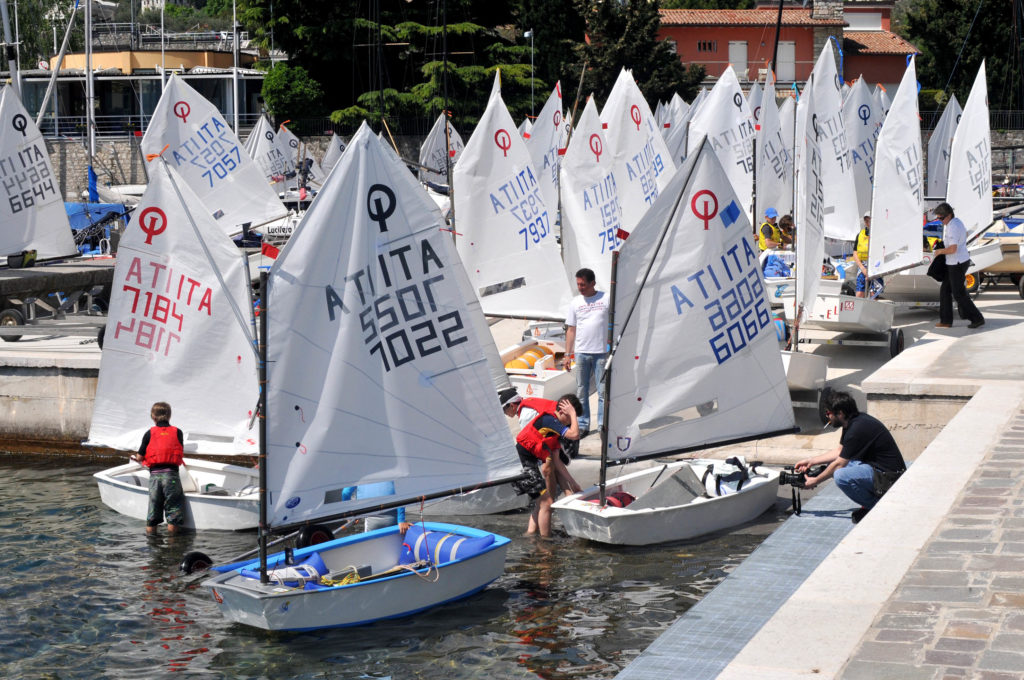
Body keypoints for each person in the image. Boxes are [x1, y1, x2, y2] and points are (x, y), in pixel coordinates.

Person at [793, 391, 907, 524]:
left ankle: (876, 508)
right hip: (879, 469)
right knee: (837, 466)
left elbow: (840, 464)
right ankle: (873, 503)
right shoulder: (853, 422)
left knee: (841, 476)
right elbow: (839, 451)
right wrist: (811, 461)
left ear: (840, 413)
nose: (827, 416)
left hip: (889, 477)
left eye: (828, 413)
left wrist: (816, 480)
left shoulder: (856, 429)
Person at [501, 388, 583, 537]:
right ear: (565, 412)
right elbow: (574, 434)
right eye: (571, 419)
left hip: (527, 463)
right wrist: (573, 413)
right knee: (546, 502)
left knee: (542, 502)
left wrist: (573, 483)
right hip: (521, 465)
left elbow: (557, 462)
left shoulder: (553, 431)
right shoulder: (549, 420)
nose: (571, 423)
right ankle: (546, 543)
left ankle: (530, 534)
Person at [562, 268, 608, 436]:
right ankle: (582, 424)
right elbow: (571, 329)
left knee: (603, 391)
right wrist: (567, 355)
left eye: (583, 284)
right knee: (582, 390)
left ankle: (603, 424)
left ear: (592, 283)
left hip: (601, 353)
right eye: (578, 284)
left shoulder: (606, 298)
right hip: (581, 353)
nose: (580, 287)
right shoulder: (575, 302)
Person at [130, 402, 186, 535]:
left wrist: (135, 458)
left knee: (153, 513)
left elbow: (140, 456)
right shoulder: (178, 432)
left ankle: (152, 545)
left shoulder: (149, 433)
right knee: (173, 513)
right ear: (169, 416)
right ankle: (173, 547)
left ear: (153, 417)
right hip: (171, 476)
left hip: (155, 477)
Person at [932, 202, 985, 329]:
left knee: (959, 293)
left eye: (941, 218)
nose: (940, 221)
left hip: (957, 263)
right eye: (938, 218)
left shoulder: (953, 227)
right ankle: (945, 320)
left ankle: (977, 318)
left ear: (949, 215)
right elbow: (963, 236)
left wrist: (939, 251)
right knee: (945, 290)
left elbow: (952, 249)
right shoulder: (956, 222)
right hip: (956, 261)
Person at [852, 212, 873, 298]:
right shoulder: (860, 234)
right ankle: (859, 308)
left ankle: (874, 308)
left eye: (869, 220)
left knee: (873, 293)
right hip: (863, 265)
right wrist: (863, 268)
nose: (868, 223)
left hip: (875, 266)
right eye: (866, 221)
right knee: (860, 293)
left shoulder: (879, 234)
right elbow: (855, 253)